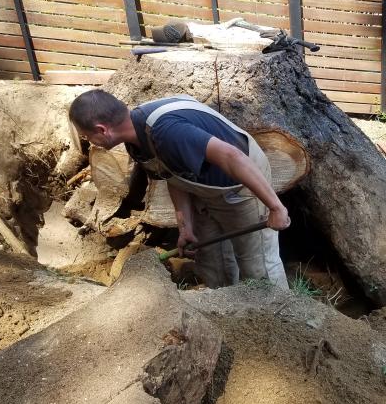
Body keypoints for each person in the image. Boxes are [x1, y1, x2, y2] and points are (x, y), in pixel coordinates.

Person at [69, 89, 289, 290]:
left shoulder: (167, 131)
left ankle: (281, 321)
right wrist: (185, 226)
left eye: (88, 137)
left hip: (240, 184)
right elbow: (172, 177)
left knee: (257, 264)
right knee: (213, 261)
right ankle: (227, 313)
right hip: (204, 187)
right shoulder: (135, 140)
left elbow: (232, 157)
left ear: (102, 130)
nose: (91, 142)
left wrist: (276, 207)